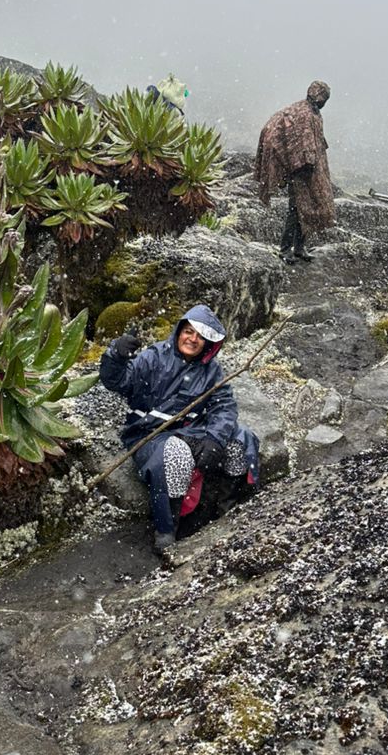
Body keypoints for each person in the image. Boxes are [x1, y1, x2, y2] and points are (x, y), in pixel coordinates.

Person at [99, 305, 260, 553]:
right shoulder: (153, 357)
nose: (192, 339)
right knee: (175, 455)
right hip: (151, 435)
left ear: (208, 343)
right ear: (178, 332)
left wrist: (215, 439)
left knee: (242, 439)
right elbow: (117, 382)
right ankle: (167, 531)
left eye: (199, 336)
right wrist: (115, 356)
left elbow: (224, 407)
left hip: (192, 430)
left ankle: (226, 512)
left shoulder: (212, 371)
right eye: (188, 332)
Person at [254, 80, 336, 265]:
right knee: (296, 209)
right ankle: (285, 249)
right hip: (301, 169)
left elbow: (315, 139)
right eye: (324, 98)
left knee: (307, 209)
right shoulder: (305, 113)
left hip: (310, 169)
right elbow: (303, 141)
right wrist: (306, 162)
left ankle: (299, 247)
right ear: (318, 95)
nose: (324, 102)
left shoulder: (313, 113)